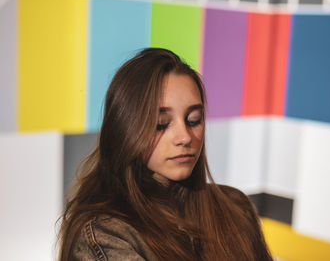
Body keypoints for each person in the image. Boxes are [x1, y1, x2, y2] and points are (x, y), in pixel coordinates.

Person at [58, 48, 273, 260]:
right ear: (126, 129)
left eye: (194, 120)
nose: (185, 137)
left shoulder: (235, 206)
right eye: (161, 124)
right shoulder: (106, 235)